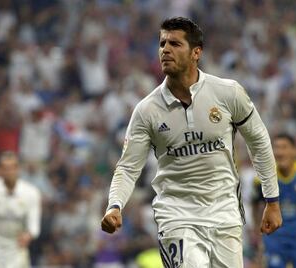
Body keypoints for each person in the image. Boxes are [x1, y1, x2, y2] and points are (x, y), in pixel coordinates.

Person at [101, 17, 282, 268]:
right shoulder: (147, 110)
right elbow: (128, 166)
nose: (165, 49)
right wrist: (115, 205)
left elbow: (259, 142)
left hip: (225, 212)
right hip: (177, 215)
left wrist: (272, 200)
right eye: (162, 43)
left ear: (196, 52)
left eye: (175, 43)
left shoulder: (227, 93)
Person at [253, 133, 296, 268]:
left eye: (284, 147)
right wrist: (258, 234)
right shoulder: (262, 179)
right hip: (274, 240)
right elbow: (255, 204)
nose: (279, 152)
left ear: (295, 151)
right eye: (276, 148)